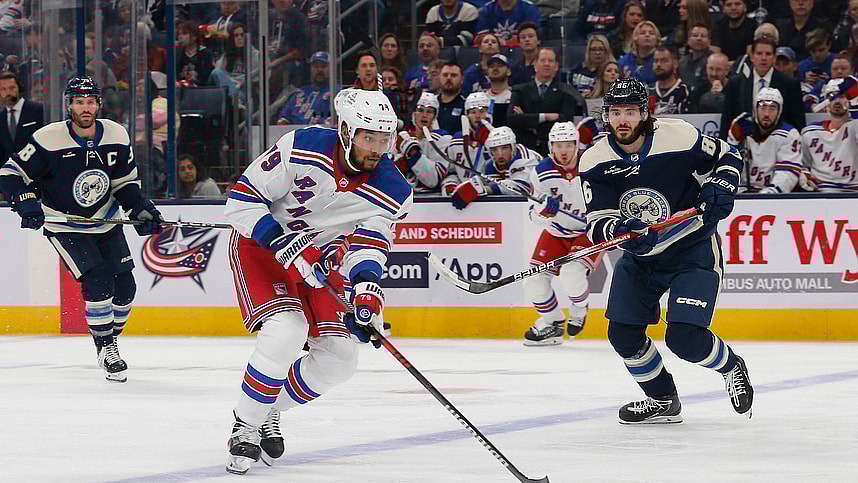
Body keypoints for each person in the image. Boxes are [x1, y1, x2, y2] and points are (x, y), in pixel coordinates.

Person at [223, 87, 411, 474]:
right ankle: (245, 426)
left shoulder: (393, 189)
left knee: (341, 359)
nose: (377, 147)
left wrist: (367, 292)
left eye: (383, 138)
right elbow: (241, 201)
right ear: (346, 131)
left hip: (317, 263)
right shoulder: (302, 147)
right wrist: (280, 239)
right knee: (286, 330)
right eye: (368, 137)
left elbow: (370, 243)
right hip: (259, 250)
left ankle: (267, 409)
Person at [578, 78, 753, 424]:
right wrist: (621, 231)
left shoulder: (679, 136)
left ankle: (731, 366)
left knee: (685, 339)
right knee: (623, 334)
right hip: (641, 258)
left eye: (630, 111)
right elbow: (597, 222)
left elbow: (728, 155)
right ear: (606, 117)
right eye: (615, 112)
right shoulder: (594, 160)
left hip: (692, 248)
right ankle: (662, 400)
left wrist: (721, 184)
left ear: (644, 113)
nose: (623, 120)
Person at [0, 76, 164, 383]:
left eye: (90, 101)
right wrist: (26, 201)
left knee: (125, 287)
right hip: (64, 224)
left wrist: (140, 209)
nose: (84, 108)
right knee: (99, 280)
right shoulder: (48, 138)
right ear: (69, 105)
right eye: (78, 102)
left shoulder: (116, 133)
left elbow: (124, 183)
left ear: (98, 104)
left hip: (105, 220)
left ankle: (110, 340)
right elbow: (9, 174)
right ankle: (105, 347)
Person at [522, 122, 601, 346]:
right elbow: (532, 213)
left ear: (577, 145)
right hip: (556, 231)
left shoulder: (591, 165)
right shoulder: (541, 172)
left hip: (588, 231)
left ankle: (579, 309)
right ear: (550, 147)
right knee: (533, 281)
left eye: (568, 144)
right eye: (558, 145)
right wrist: (543, 213)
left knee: (571, 273)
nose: (563, 151)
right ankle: (552, 324)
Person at [720, 37, 805, 139]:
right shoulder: (736, 83)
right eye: (759, 53)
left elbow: (798, 123)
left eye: (768, 54)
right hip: (744, 144)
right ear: (752, 57)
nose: (763, 58)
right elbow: (727, 121)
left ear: (774, 58)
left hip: (779, 145)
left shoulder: (790, 84)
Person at [508, 48, 586, 155]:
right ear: (535, 64)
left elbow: (565, 120)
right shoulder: (520, 90)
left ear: (556, 66)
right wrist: (546, 116)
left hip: (554, 150)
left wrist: (527, 119)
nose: (547, 64)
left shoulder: (567, 91)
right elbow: (512, 119)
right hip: (525, 149)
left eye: (550, 61)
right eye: (543, 60)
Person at [727, 88, 802, 193]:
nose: (766, 114)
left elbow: (788, 173)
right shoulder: (742, 128)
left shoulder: (789, 134)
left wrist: (770, 192)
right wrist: (735, 143)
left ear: (779, 111)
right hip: (742, 193)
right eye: (763, 108)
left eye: (772, 108)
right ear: (755, 109)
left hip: (772, 197)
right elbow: (728, 167)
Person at [449, 126, 540, 209]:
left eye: (504, 148)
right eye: (495, 150)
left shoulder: (525, 158)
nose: (500, 154)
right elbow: (480, 182)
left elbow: (520, 187)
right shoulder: (490, 164)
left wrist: (484, 189)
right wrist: (463, 188)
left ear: (513, 147)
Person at [799, 77, 858, 192]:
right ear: (826, 104)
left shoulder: (854, 127)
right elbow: (802, 163)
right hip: (822, 189)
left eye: (841, 96)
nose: (837, 101)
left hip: (854, 189)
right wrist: (804, 173)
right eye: (831, 97)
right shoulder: (810, 132)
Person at [394, 92, 452, 193]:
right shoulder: (401, 137)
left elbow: (434, 180)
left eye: (429, 111)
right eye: (420, 110)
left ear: (435, 116)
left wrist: (412, 151)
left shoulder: (443, 139)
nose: (424, 115)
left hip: (431, 200)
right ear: (413, 113)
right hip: (402, 197)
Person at [441, 91, 495, 194]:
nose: (478, 116)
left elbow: (503, 171)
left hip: (490, 197)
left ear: (489, 113)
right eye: (473, 112)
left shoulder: (500, 138)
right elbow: (452, 172)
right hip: (463, 196)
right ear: (466, 115)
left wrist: (489, 143)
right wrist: (450, 185)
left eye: (482, 111)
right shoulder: (456, 141)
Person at [276, 52, 337, 125]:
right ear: (311, 69)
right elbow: (284, 117)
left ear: (331, 69)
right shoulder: (301, 92)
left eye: (323, 66)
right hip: (296, 133)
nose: (319, 70)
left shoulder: (337, 91)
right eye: (316, 66)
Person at [0, 71, 43, 168]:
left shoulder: (38, 111)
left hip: (36, 172)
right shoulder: (1, 117)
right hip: (8, 174)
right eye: (3, 89)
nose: (8, 93)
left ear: (19, 88)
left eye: (12, 88)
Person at [475, 0, 542, 46]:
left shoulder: (529, 8)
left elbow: (534, 39)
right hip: (493, 54)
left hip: (521, 52)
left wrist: (507, 43)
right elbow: (478, 40)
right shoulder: (487, 9)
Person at [650, 46, 691, 114]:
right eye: (656, 61)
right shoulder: (647, 91)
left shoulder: (684, 91)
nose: (658, 64)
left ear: (675, 64)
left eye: (664, 60)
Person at [618, 20, 661, 85]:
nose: (647, 35)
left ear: (656, 39)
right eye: (643, 33)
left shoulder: (661, 60)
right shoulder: (624, 61)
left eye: (651, 33)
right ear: (636, 38)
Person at [176, 20, 215, 87]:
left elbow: (207, 76)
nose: (180, 37)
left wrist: (195, 79)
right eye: (179, 34)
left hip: (200, 89)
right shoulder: (178, 53)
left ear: (194, 36)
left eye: (184, 34)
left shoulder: (205, 52)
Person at [436, 61, 467, 135]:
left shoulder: (466, 104)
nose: (449, 78)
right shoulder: (432, 103)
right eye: (445, 75)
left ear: (462, 79)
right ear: (439, 77)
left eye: (453, 75)